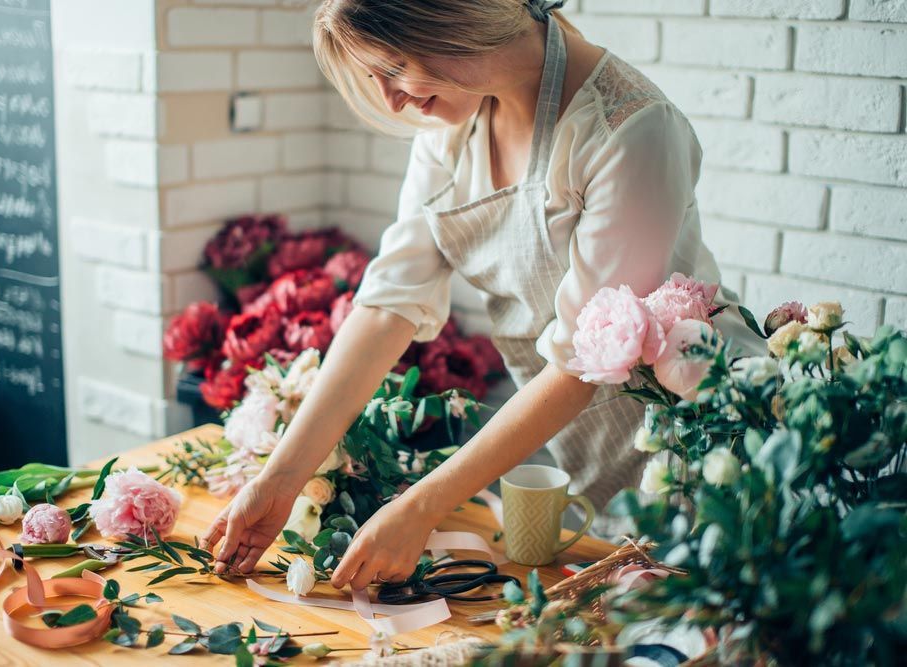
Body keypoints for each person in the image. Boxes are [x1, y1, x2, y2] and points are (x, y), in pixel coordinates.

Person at [201, 0, 761, 590]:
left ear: (452, 18)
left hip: (697, 439)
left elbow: (581, 364)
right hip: (586, 449)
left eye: (395, 67)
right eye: (375, 78)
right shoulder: (450, 129)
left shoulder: (631, 129)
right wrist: (282, 478)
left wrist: (420, 508)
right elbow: (389, 302)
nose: (391, 101)